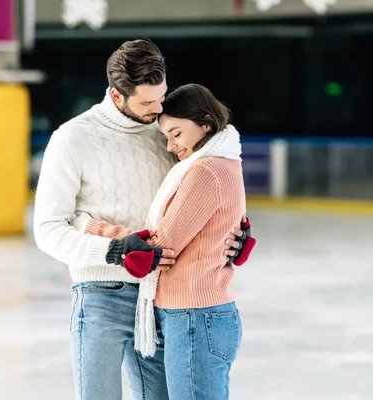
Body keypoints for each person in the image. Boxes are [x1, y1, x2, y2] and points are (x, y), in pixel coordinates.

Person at [33, 40, 253, 400]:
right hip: (101, 295)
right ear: (118, 97)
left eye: (161, 97)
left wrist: (234, 232)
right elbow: (47, 230)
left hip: (158, 296)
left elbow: (199, 194)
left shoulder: (166, 132)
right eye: (146, 103)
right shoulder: (73, 138)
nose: (158, 109)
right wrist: (114, 250)